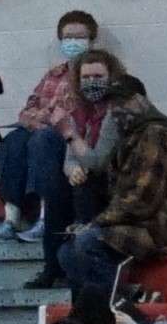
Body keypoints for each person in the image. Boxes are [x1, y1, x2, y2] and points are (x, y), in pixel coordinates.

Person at [60, 76, 167, 320]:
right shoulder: (131, 137)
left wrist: (95, 223)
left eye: (119, 103)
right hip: (140, 224)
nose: (114, 111)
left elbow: (142, 201)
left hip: (162, 229)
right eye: (111, 105)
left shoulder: (156, 135)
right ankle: (108, 308)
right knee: (67, 252)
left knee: (86, 243)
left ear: (138, 102)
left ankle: (127, 309)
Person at [0, 10, 100, 244]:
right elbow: (28, 109)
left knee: (43, 139)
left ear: (91, 40)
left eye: (79, 37)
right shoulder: (54, 74)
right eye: (68, 37)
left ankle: (45, 219)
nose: (73, 42)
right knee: (14, 139)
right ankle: (12, 218)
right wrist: (41, 119)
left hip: (73, 138)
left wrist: (46, 118)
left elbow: (75, 113)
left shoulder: (93, 74)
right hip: (43, 130)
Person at [30, 47, 128, 289]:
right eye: (86, 78)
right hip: (90, 179)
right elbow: (70, 157)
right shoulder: (79, 111)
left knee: (84, 183)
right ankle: (53, 264)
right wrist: (71, 168)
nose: (91, 83)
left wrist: (70, 135)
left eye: (98, 77)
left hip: (116, 184)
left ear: (112, 78)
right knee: (59, 190)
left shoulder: (117, 110)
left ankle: (76, 251)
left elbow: (98, 161)